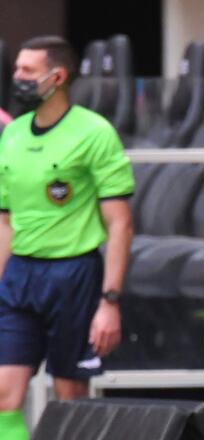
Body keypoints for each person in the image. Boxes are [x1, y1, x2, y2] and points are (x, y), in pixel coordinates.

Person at [0, 36, 134, 439]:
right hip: (21, 274)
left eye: (27, 70)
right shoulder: (13, 134)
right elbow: (5, 221)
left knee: (68, 399)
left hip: (74, 274)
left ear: (56, 76)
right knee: (4, 394)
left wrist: (109, 302)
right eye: (16, 68)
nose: (17, 77)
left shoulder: (94, 132)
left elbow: (120, 224)